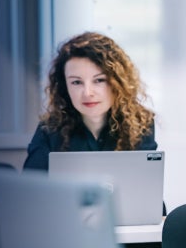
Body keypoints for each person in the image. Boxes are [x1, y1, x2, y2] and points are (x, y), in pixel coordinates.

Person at [22, 32, 157, 171]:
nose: (87, 93)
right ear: (65, 87)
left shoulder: (141, 124)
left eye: (99, 80)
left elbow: (145, 186)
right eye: (76, 82)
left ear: (118, 83)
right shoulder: (49, 129)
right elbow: (30, 188)